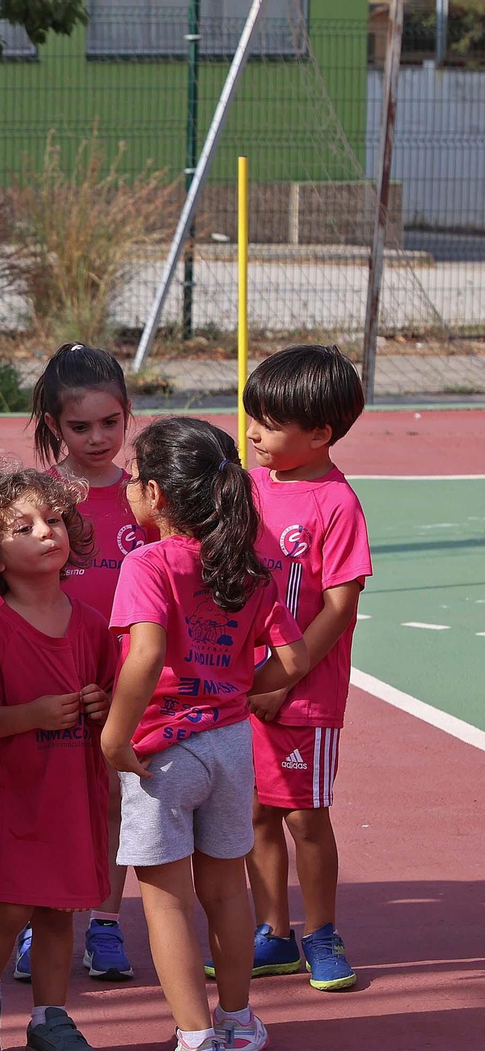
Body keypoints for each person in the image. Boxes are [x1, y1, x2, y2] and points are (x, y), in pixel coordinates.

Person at [100, 417, 310, 1051]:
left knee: (165, 900)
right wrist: (245, 692)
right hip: (229, 743)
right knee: (226, 887)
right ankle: (238, 1023)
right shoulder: (247, 567)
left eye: (135, 479)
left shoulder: (148, 563)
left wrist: (114, 734)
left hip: (163, 748)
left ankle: (195, 1044)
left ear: (155, 495)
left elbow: (148, 653)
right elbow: (295, 657)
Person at [0, 465, 116, 1051]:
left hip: (71, 792)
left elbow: (112, 703)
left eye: (55, 520)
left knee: (58, 910)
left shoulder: (92, 625)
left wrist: (100, 706)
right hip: (12, 793)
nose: (47, 533)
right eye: (24, 527)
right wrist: (35, 714)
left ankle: (50, 1016)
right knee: (11, 906)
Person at [236, 345, 370, 991]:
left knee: (304, 816)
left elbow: (340, 605)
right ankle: (274, 934)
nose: (254, 432)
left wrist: (281, 677)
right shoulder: (247, 485)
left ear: (319, 433)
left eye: (268, 422)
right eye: (251, 417)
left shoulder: (337, 504)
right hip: (241, 689)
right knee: (256, 814)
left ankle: (322, 932)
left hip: (302, 696)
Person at [27, 341, 143, 984]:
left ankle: (103, 922)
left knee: (113, 804)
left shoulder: (146, 502)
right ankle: (34, 917)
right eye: (80, 426)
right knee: (43, 804)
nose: (98, 438)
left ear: (128, 414)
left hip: (122, 682)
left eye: (110, 422)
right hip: (50, 679)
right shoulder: (37, 503)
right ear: (53, 425)